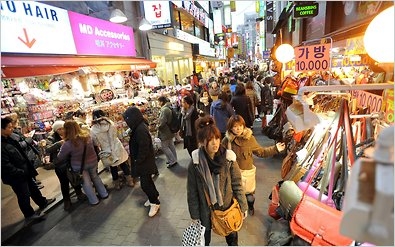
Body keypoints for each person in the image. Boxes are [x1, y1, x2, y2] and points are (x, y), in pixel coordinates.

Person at [187, 115, 248, 246]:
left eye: (217, 138)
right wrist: (194, 215)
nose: (215, 143)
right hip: (206, 209)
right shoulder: (195, 163)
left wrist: (243, 206)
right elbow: (192, 191)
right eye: (210, 140)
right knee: (204, 240)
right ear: (202, 141)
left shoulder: (228, 158)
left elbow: (237, 184)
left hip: (227, 207)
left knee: (232, 238)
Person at [222, 115, 285, 215]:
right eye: (234, 126)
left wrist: (275, 149)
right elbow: (219, 156)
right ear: (230, 128)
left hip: (246, 174)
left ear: (243, 126)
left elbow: (261, 152)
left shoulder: (249, 139)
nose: (238, 129)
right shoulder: (226, 141)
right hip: (232, 174)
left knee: (249, 197)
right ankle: (237, 214)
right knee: (233, 197)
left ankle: (250, 207)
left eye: (240, 126)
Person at [1, 117, 56, 225]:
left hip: (24, 171)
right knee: (23, 195)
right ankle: (29, 215)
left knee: (33, 188)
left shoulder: (10, 138)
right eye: (9, 127)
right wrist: (19, 172)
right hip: (16, 176)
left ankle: (43, 202)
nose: (12, 129)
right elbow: (5, 165)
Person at [57, 120, 108, 206]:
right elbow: (95, 145)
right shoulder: (87, 136)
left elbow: (60, 157)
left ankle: (94, 201)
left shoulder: (68, 143)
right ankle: (104, 194)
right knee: (95, 177)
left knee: (86, 183)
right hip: (93, 161)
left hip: (79, 166)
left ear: (66, 130)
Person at [123, 106, 161, 217]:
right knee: (148, 182)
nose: (127, 122)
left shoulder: (140, 129)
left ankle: (155, 203)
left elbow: (144, 147)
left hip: (145, 162)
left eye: (127, 119)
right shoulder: (139, 127)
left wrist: (138, 160)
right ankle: (154, 196)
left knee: (145, 184)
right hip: (145, 161)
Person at [45, 120, 86, 211]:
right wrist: (59, 143)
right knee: (64, 183)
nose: (62, 131)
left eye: (63, 128)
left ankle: (79, 194)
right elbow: (47, 149)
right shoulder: (51, 138)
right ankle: (67, 201)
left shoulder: (69, 133)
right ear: (56, 130)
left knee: (74, 178)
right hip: (59, 164)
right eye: (59, 129)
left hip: (70, 162)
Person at [90, 109, 135, 190]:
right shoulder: (110, 123)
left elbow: (96, 143)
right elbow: (117, 134)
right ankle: (130, 181)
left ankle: (117, 185)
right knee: (123, 164)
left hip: (106, 149)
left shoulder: (93, 129)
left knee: (113, 167)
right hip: (116, 146)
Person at [157, 96, 179, 168]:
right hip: (170, 129)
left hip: (165, 131)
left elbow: (162, 122)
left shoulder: (164, 110)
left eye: (159, 102)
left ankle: (172, 160)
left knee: (164, 147)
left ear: (161, 102)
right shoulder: (169, 107)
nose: (158, 103)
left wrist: (158, 127)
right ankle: (173, 159)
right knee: (171, 145)